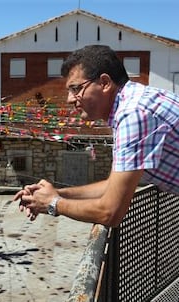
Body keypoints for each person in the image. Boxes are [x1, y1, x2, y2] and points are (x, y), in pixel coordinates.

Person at [14, 44, 179, 228]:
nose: (69, 99)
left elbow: (110, 212)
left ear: (105, 83)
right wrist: (56, 194)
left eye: (76, 89)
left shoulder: (133, 114)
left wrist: (53, 204)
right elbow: (112, 186)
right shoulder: (134, 102)